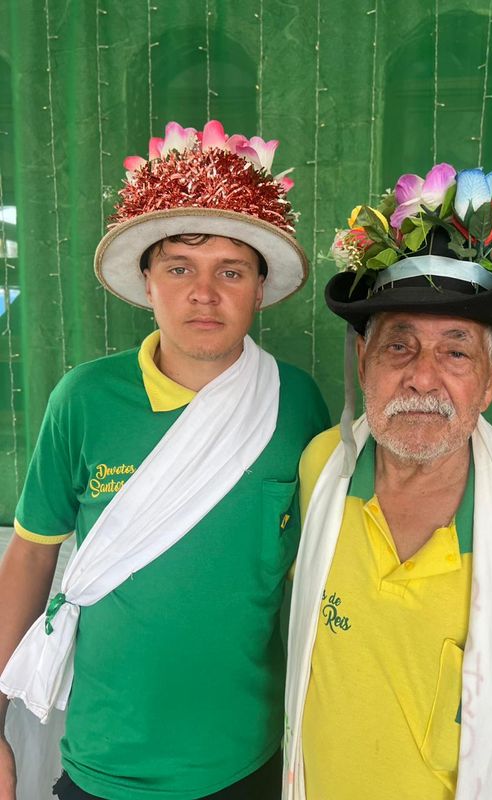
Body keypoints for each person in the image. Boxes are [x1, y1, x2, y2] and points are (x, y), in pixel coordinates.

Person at [0, 119, 329, 800]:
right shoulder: (84, 400)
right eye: (179, 268)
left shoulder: (295, 403)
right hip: (106, 762)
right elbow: (30, 558)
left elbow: (314, 572)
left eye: (230, 272)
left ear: (259, 289)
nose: (202, 294)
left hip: (251, 759)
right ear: (147, 282)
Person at [284, 164, 492, 799]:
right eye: (400, 346)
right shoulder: (323, 468)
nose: (423, 378)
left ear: (491, 377)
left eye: (455, 351)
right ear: (364, 361)